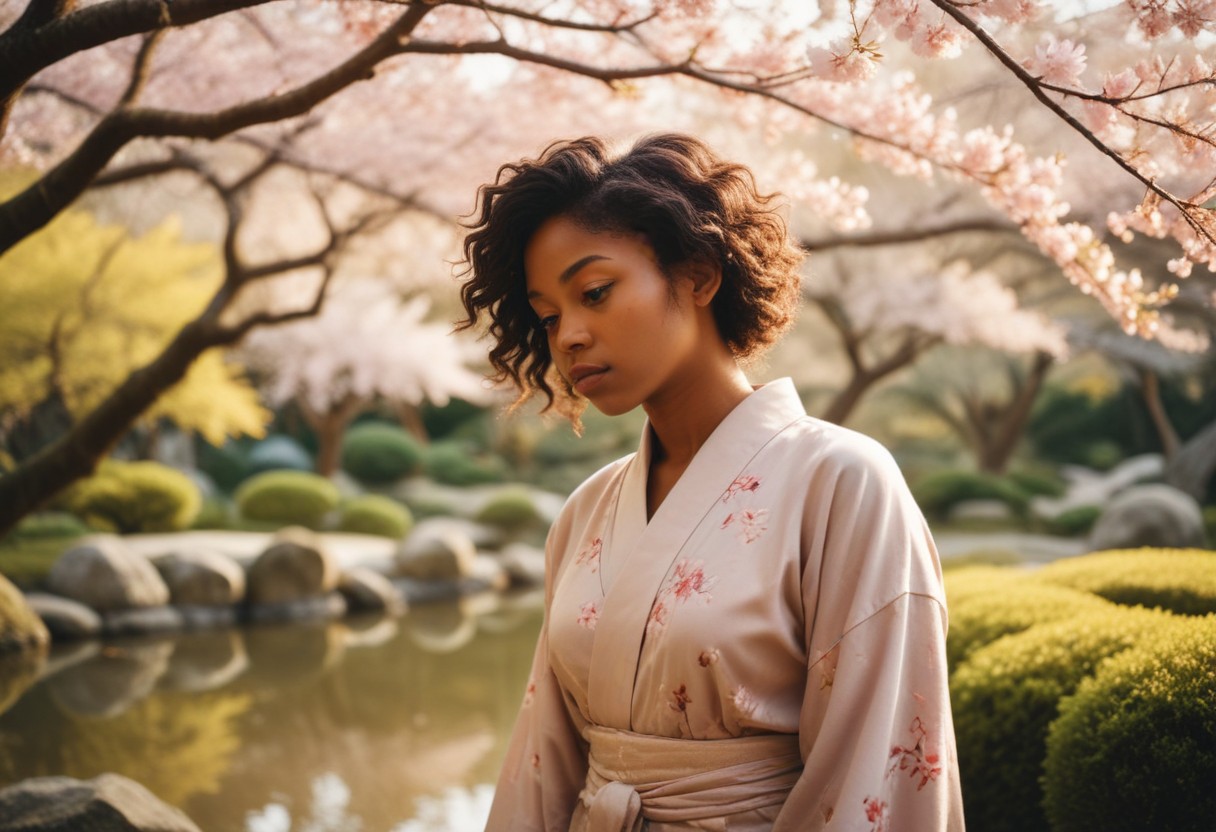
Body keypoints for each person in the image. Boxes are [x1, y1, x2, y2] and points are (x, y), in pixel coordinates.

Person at [458, 133, 964, 832]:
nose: (568, 334)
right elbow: (542, 761)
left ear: (698, 274)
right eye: (548, 316)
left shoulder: (842, 484)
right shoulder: (587, 511)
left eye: (594, 292)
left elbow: (872, 771)